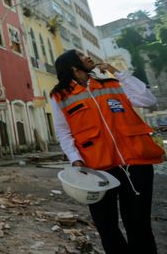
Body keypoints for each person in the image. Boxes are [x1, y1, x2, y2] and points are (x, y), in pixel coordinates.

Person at [50, 50, 164, 254]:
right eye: (82, 56)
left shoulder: (111, 84)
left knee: (139, 224)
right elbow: (63, 132)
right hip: (96, 170)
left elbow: (148, 100)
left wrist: (117, 72)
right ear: (74, 67)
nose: (88, 56)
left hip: (135, 164)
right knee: (106, 226)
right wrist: (75, 160)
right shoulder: (60, 96)